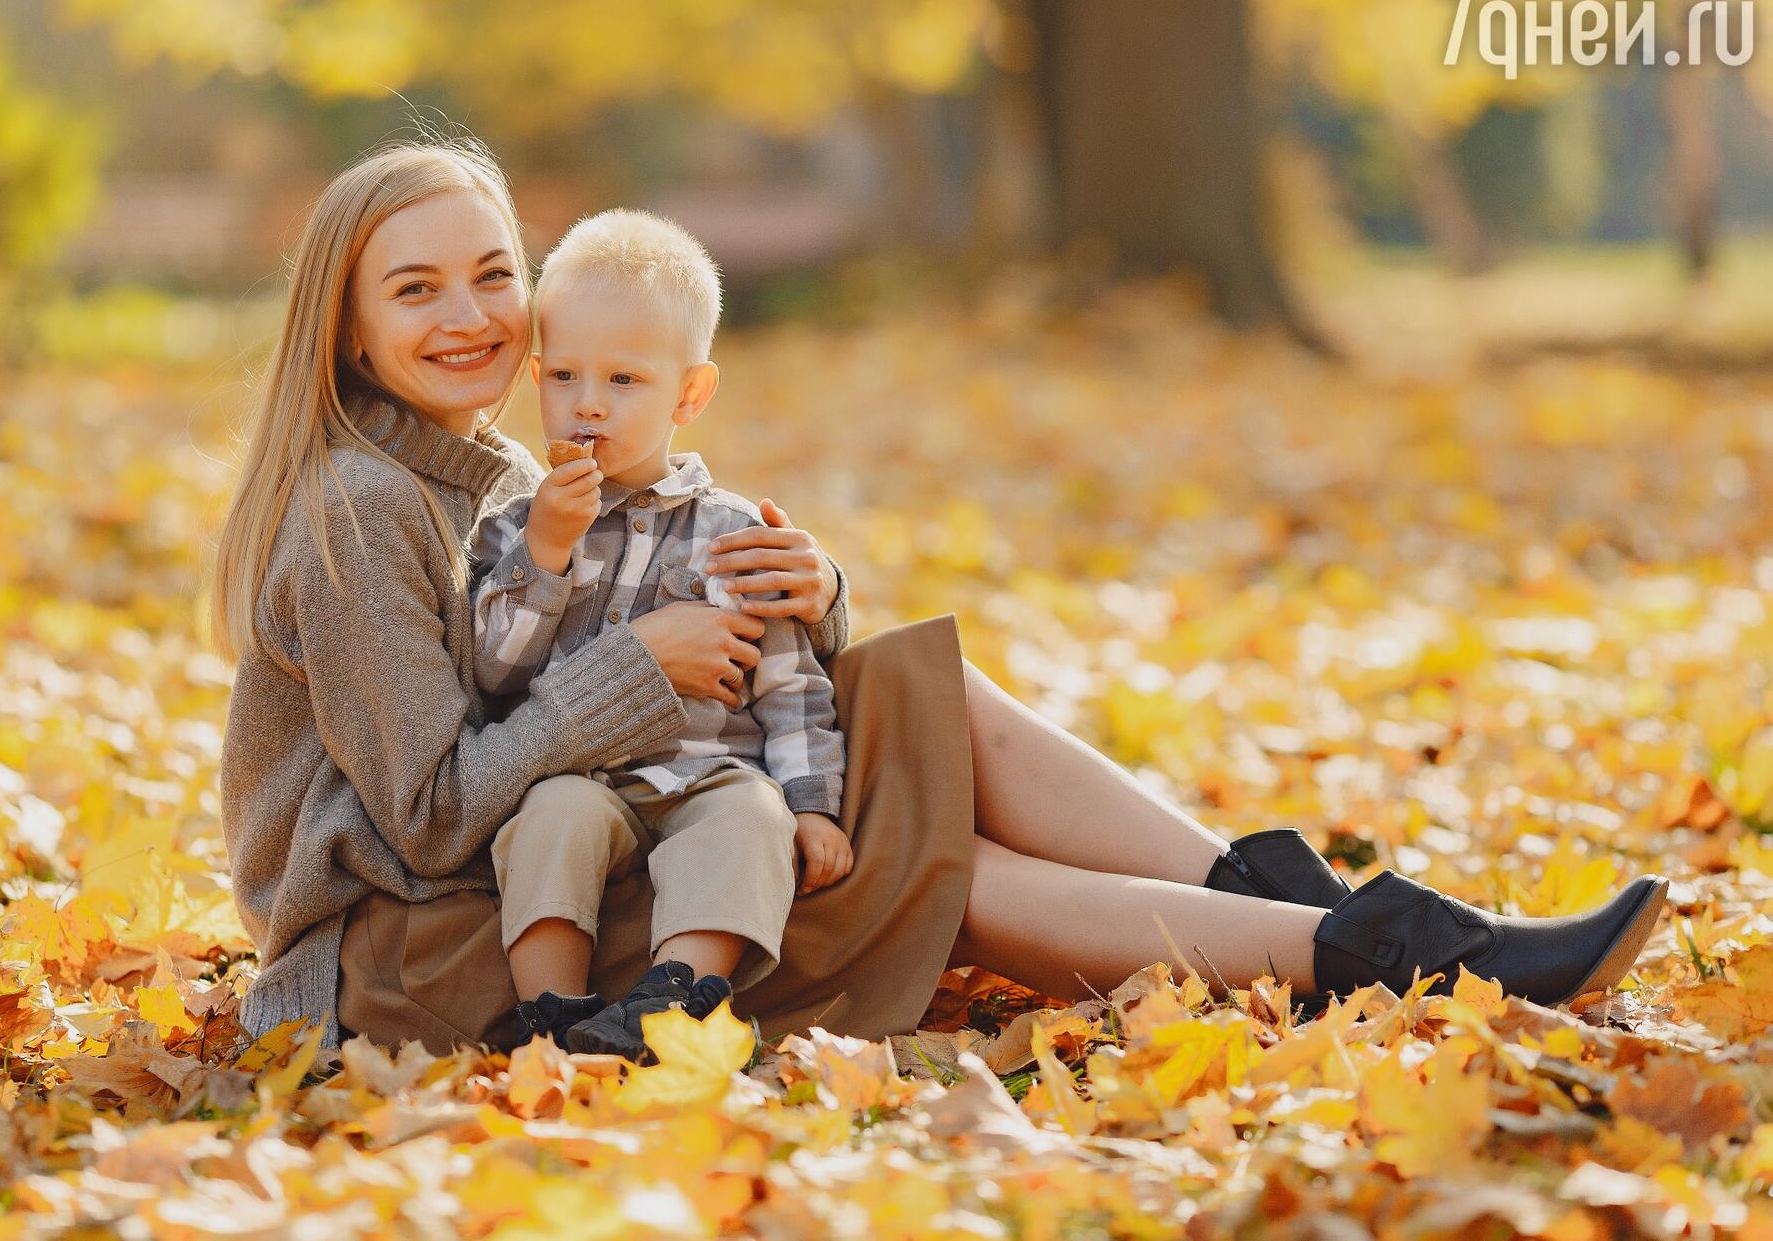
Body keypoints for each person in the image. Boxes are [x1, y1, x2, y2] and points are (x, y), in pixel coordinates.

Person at [215, 137, 1670, 1057]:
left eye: (490, 276)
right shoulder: (357, 510)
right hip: (405, 956)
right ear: (343, 332)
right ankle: (1406, 956)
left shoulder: (492, 472)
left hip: (542, 863)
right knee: (941, 872)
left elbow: (630, 658)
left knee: (912, 688)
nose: (468, 314)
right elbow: (426, 814)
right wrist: (645, 664)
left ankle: (1345, 921)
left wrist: (811, 599)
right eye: (414, 292)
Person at [468, 210, 849, 1060]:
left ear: (689, 393)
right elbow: (492, 673)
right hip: (579, 769)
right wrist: (547, 557)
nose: (588, 404)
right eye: (563, 376)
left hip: (708, 770)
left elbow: (789, 684)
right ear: (535, 377)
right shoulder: (514, 530)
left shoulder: (732, 532)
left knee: (751, 817)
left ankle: (670, 1000)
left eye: (625, 381)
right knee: (550, 818)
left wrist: (812, 804)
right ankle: (554, 1019)